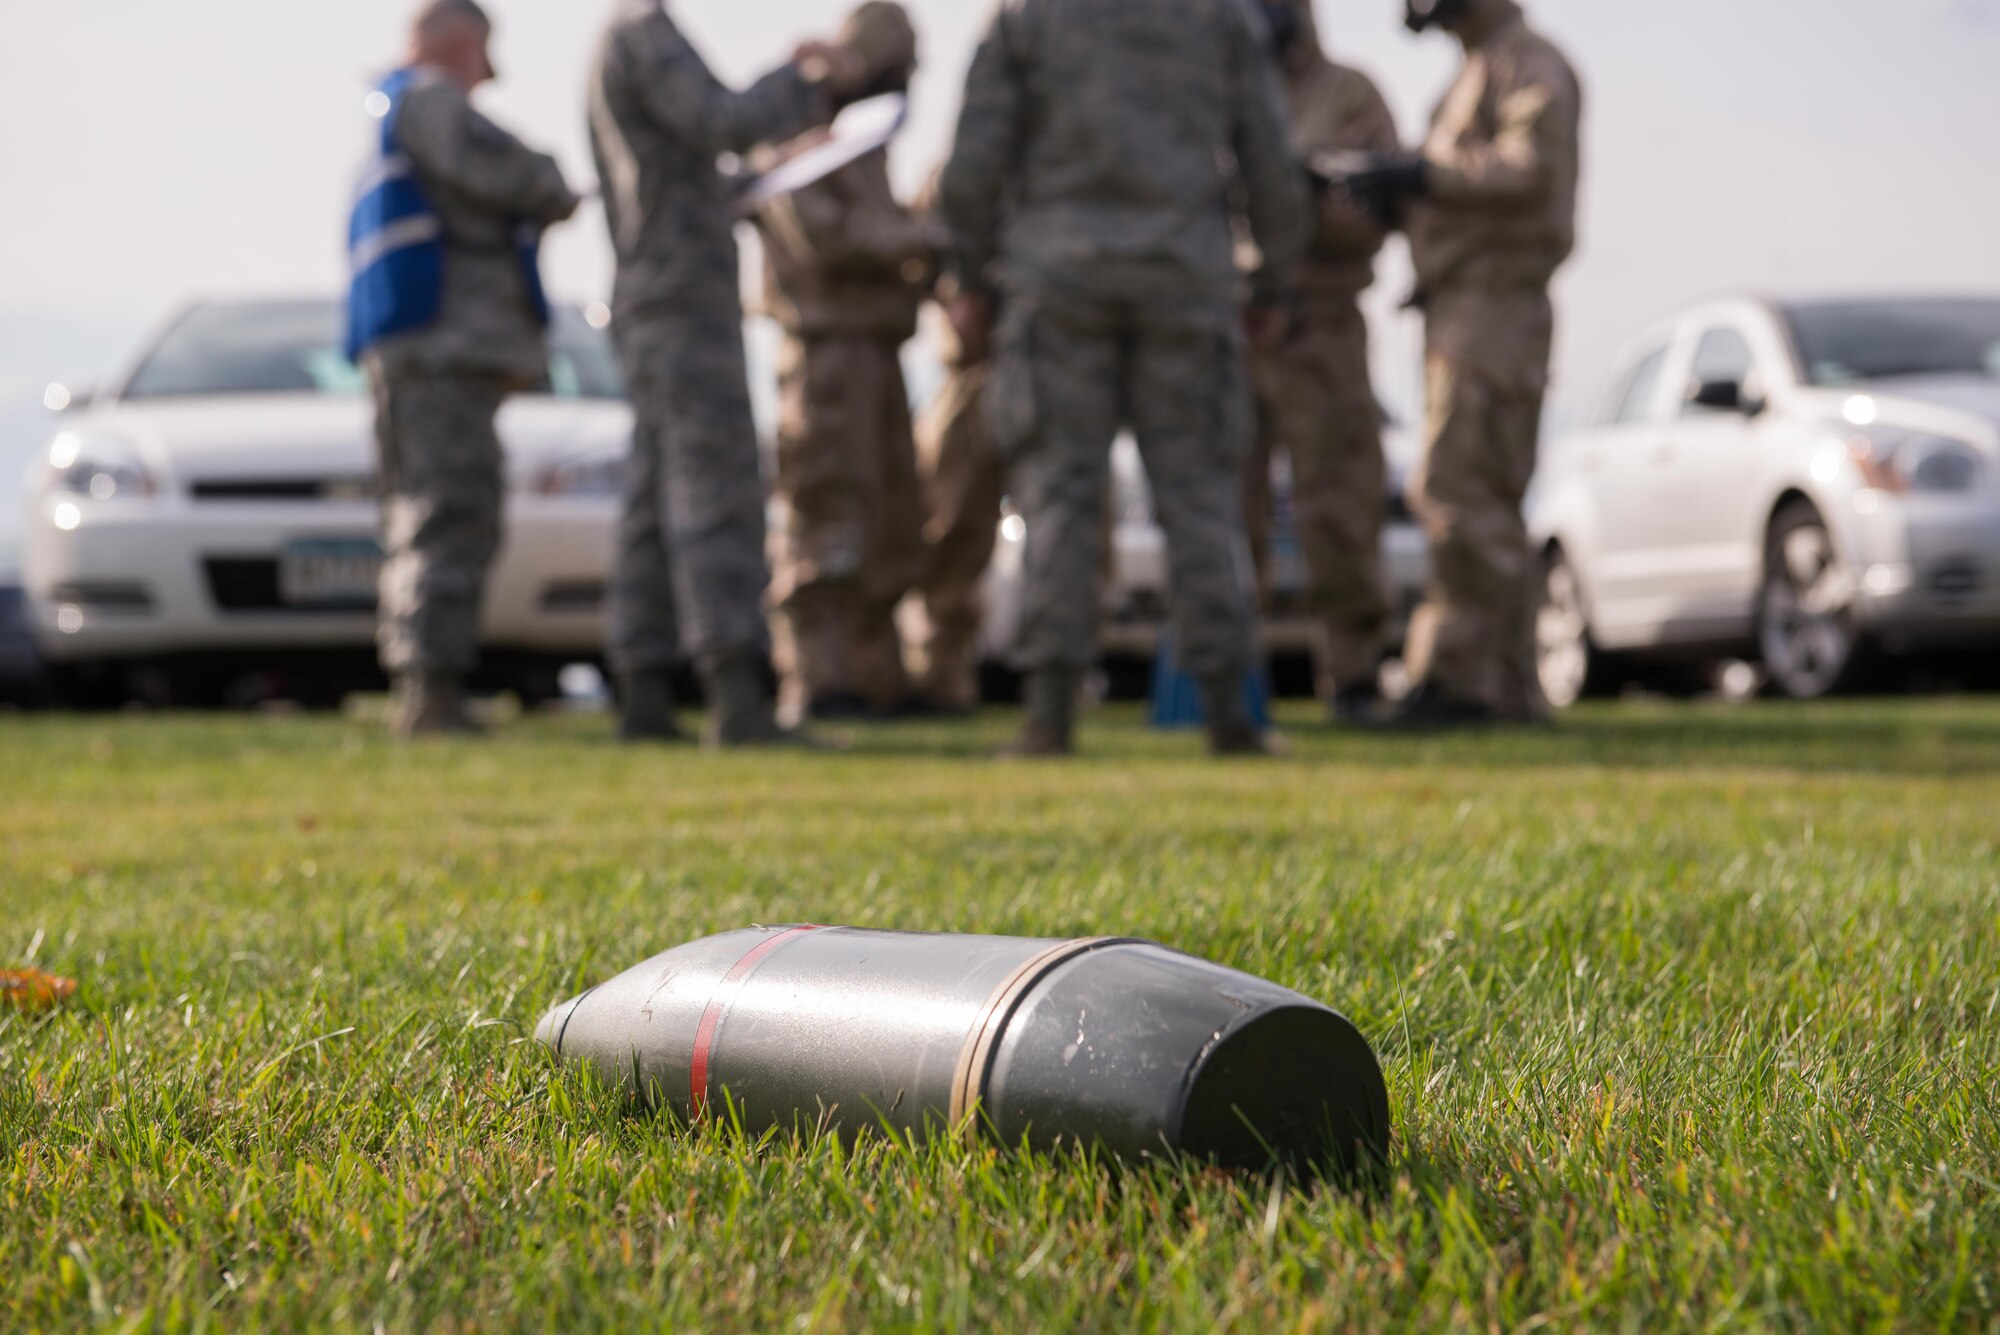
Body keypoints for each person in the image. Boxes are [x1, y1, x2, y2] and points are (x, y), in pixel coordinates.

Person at [939, 0, 1310, 758]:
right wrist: (1272, 284)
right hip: (1185, 281)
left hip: (1058, 283)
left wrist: (970, 276)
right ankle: (1229, 715)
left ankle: (1049, 713)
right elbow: (1272, 159)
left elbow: (974, 155)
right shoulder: (1218, 16)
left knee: (1059, 498)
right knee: (1202, 497)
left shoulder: (1026, 16)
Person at [588, 2, 866, 746]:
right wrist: (801, 70)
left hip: (659, 299)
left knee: (653, 502)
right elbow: (720, 118)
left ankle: (644, 692)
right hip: (681, 303)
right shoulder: (643, 34)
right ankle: (736, 697)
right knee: (717, 491)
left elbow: (687, 158)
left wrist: (762, 172)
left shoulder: (629, 38)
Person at [1339, 0, 1581, 728]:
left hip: (1492, 307)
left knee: (1458, 492)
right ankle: (1499, 689)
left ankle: (1458, 682)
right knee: (1475, 499)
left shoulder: (1525, 62)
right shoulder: (1481, 68)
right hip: (1463, 304)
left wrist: (1423, 174)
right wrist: (1395, 191)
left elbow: (1528, 169)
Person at [347, 0, 582, 738]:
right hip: (443, 351)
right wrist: (551, 182)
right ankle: (432, 692)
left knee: (429, 511)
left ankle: (428, 683)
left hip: (421, 350)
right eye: (486, 52)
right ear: (459, 39)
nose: (489, 74)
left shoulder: (395, 107)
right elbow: (517, 173)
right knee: (451, 511)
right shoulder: (431, 102)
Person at [755, 3, 940, 724]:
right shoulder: (799, 132)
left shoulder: (866, 143)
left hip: (881, 345)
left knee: (894, 514)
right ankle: (816, 678)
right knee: (827, 508)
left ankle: (877, 675)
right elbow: (824, 236)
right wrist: (917, 234)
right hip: (826, 353)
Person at [1248, 0, 1401, 725]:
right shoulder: (1222, 86)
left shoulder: (1350, 94)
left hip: (1322, 325)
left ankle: (1355, 676)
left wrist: (1302, 198)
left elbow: (1376, 206)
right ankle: (1226, 680)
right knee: (1222, 506)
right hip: (1235, 326)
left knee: (1339, 503)